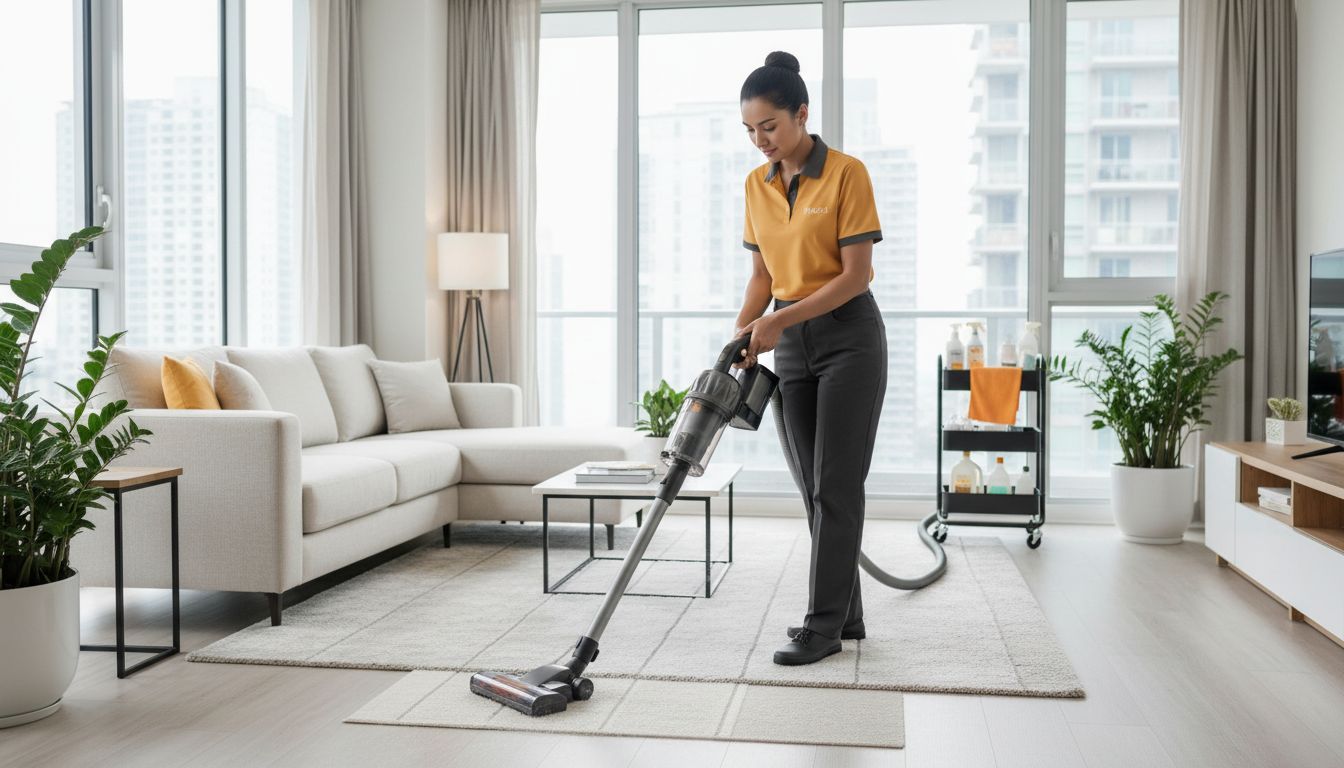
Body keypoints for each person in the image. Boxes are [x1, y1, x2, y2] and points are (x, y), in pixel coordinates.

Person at [733, 50, 888, 666]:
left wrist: (778, 320)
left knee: (837, 487)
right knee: (813, 488)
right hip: (789, 346)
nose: (760, 141)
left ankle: (821, 628)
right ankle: (846, 615)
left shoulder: (847, 173)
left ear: (802, 114)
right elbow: (762, 276)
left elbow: (856, 275)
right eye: (749, 130)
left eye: (769, 126)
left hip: (849, 337)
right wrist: (744, 335)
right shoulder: (755, 185)